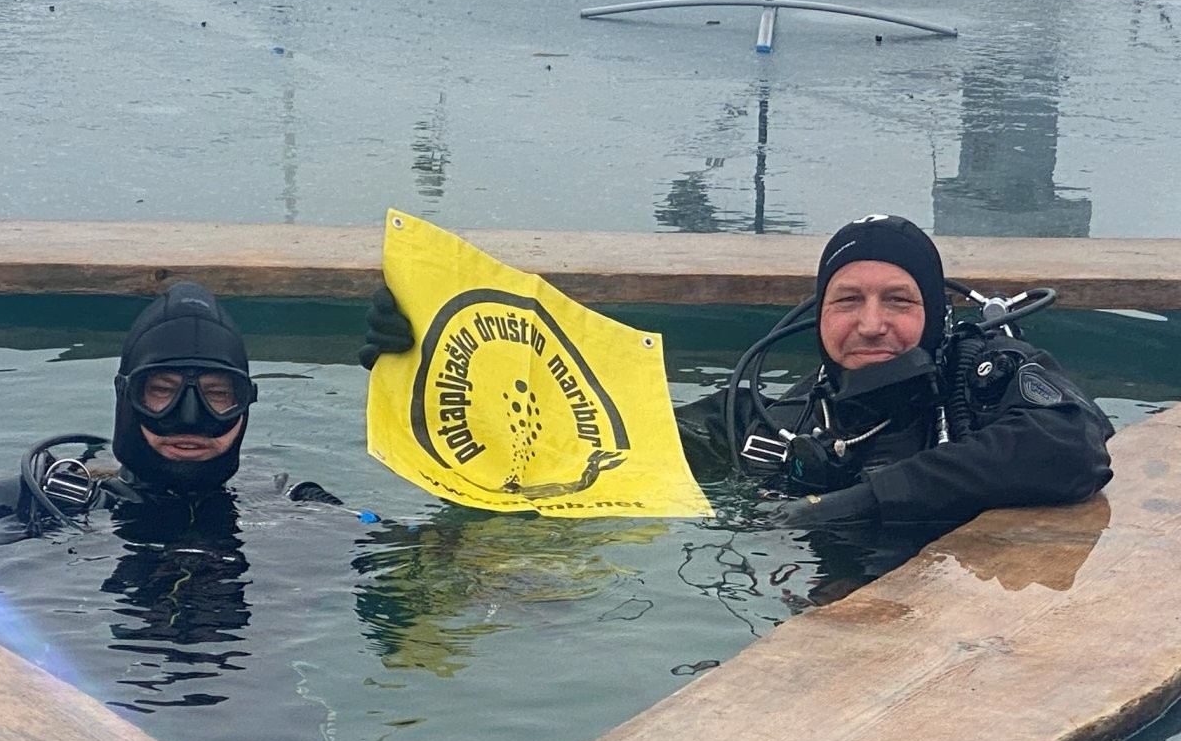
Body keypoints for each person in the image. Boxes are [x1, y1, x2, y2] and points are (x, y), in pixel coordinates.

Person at [357, 213, 1114, 529]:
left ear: (938, 315)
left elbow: (1073, 448)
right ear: (817, 314)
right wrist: (421, 351)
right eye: (847, 300)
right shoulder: (777, 418)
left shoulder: (980, 378)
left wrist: (863, 500)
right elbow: (603, 443)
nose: (871, 323)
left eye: (899, 300)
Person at [0, 281, 344, 576]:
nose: (190, 418)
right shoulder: (39, 500)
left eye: (217, 394)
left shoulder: (291, 506)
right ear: (126, 398)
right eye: (162, 391)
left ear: (245, 405)